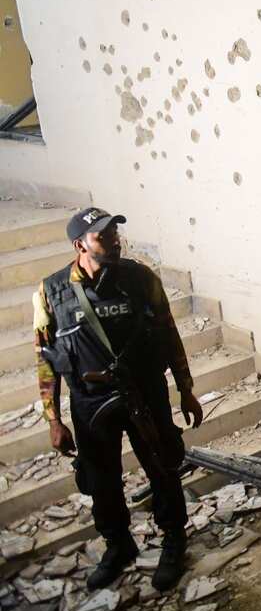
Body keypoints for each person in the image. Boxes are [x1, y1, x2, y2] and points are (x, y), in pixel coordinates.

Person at [32, 207, 204, 591]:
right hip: (90, 402)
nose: (113, 240)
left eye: (113, 233)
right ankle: (118, 545)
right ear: (80, 245)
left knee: (163, 466)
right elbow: (46, 360)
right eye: (102, 236)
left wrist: (185, 389)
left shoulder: (141, 279)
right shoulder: (50, 292)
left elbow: (169, 334)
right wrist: (53, 420)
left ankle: (174, 539)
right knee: (100, 479)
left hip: (144, 392)